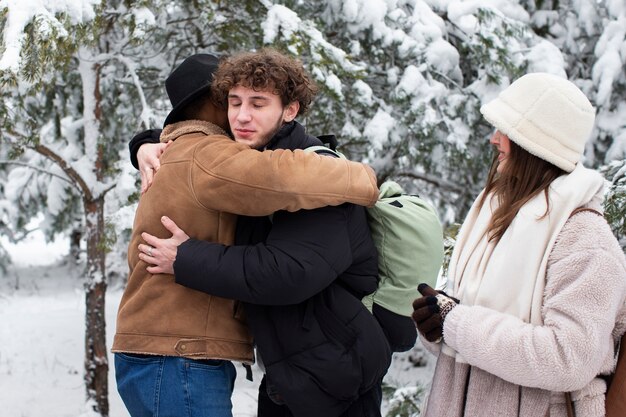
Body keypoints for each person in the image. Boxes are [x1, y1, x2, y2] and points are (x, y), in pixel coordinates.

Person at [134, 49, 412, 417]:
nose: (242, 116)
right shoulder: (250, 161)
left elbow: (289, 272)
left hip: (335, 376)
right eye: (234, 103)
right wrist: (143, 144)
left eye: (258, 103)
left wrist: (187, 257)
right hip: (290, 373)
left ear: (290, 110)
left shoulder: (315, 177)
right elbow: (194, 146)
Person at [412, 72, 626, 417]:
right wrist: (437, 325)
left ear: (535, 143)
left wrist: (457, 323)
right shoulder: (497, 216)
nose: (495, 139)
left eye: (506, 130)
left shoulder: (585, 239)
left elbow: (568, 359)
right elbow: (468, 338)